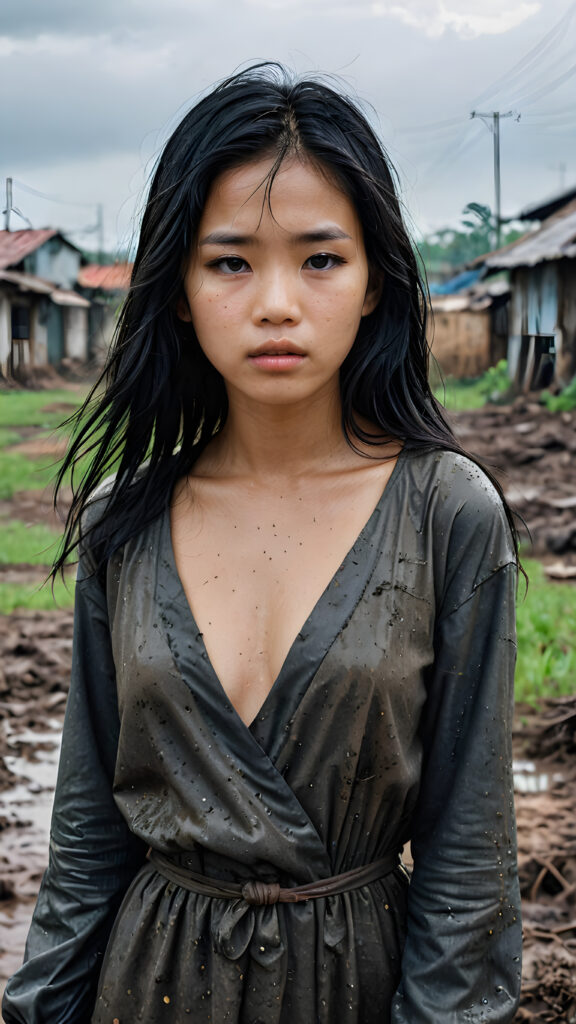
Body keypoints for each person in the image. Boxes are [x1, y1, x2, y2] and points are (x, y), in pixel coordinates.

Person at [3, 63, 522, 1024]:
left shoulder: (448, 516)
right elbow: (86, 837)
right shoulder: (126, 522)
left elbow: (469, 866)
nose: (276, 302)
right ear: (181, 290)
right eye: (231, 261)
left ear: (374, 283)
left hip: (353, 987)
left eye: (320, 259)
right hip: (146, 987)